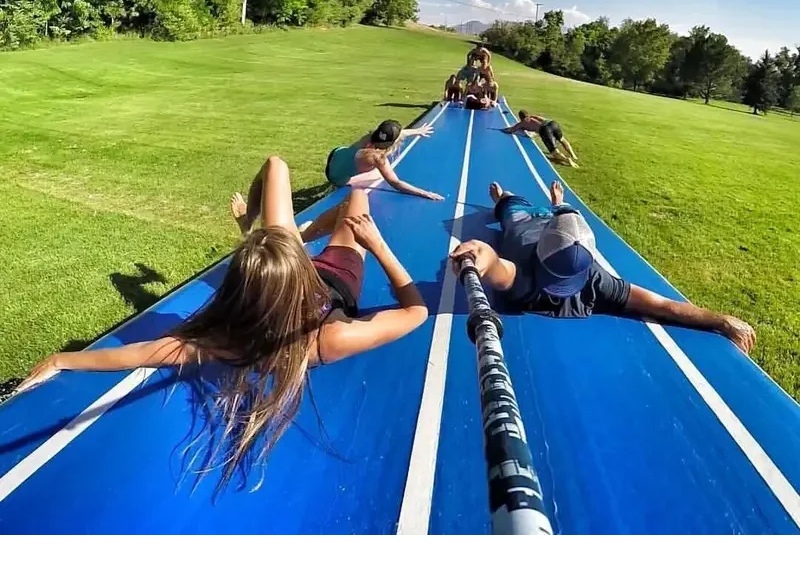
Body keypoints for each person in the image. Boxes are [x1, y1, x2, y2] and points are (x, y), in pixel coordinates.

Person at [20, 156, 429, 487]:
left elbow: (144, 353)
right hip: (336, 275)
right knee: (357, 200)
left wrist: (64, 359)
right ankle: (312, 229)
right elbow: (416, 311)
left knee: (287, 171)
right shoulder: (331, 339)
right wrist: (376, 245)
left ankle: (292, 232)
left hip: (287, 266)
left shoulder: (235, 335)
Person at [450, 180, 756, 353]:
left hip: (555, 223)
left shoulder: (595, 277)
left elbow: (661, 304)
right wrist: (478, 251)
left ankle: (558, 202)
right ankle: (508, 195)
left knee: (566, 214)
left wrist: (722, 320)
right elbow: (495, 264)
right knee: (509, 203)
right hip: (521, 221)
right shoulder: (526, 275)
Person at [503, 110, 579, 168]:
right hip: (552, 123)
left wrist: (503, 130)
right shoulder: (533, 116)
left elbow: (511, 130)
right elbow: (541, 121)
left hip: (544, 129)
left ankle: (567, 160)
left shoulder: (522, 123)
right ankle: (573, 155)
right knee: (562, 140)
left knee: (554, 152)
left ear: (520, 117)